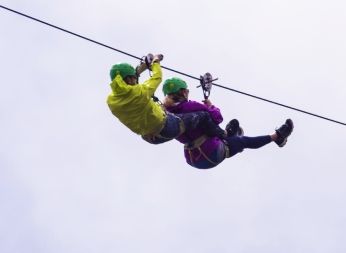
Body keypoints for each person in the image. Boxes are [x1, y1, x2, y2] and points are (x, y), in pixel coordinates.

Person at [161, 77, 294, 169]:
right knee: (243, 141)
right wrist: (210, 106)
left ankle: (230, 136)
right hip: (210, 154)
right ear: (184, 92)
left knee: (207, 130)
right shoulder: (191, 106)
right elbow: (218, 118)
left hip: (191, 158)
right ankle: (278, 137)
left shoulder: (166, 114)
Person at [107, 54, 226, 145]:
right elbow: (157, 77)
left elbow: (130, 92)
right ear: (128, 80)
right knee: (204, 116)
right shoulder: (140, 92)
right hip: (165, 127)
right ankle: (224, 134)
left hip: (149, 137)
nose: (134, 80)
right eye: (133, 78)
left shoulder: (111, 101)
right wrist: (155, 62)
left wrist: (139, 71)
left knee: (156, 108)